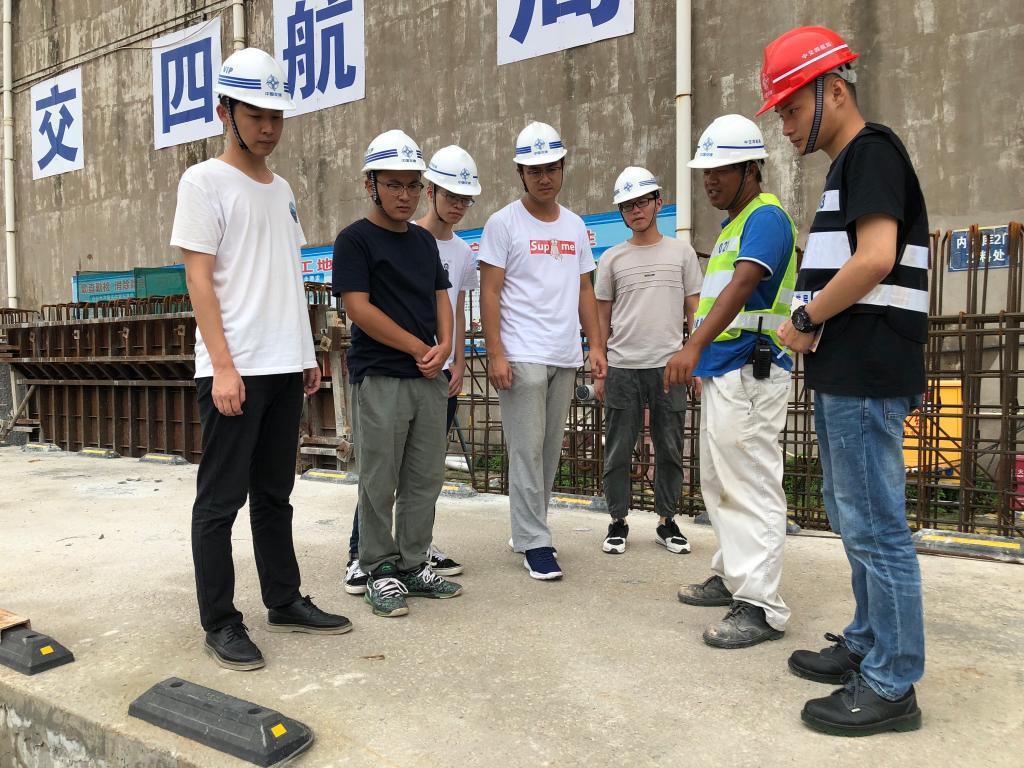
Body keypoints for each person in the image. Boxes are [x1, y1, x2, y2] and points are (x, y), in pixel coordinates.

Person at [762, 25, 927, 736]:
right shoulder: (849, 165)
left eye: (792, 109)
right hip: (849, 369)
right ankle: (867, 641)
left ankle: (893, 680)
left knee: (876, 525)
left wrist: (806, 315)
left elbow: (876, 257)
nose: (785, 125)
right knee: (853, 513)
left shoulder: (872, 153)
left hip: (867, 368)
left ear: (833, 90)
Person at [172, 48, 351, 671]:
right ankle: (220, 622)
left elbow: (287, 275)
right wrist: (222, 366)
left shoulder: (283, 190)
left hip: (281, 365)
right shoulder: (202, 182)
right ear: (225, 112)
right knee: (220, 500)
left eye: (276, 115)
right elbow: (199, 279)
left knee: (275, 492)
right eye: (256, 115)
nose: (269, 127)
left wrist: (304, 352)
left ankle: (284, 599)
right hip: (235, 368)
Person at [669, 115, 798, 651]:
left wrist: (692, 347)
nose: (710, 181)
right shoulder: (733, 225)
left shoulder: (765, 217)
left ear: (751, 169)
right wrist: (704, 361)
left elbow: (744, 286)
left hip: (751, 367)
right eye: (706, 172)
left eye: (721, 170)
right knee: (720, 482)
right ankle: (731, 575)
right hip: (727, 370)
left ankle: (762, 605)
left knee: (752, 484)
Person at [332, 129, 462, 618]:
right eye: (393, 184)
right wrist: (418, 347)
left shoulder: (424, 242)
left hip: (427, 377)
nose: (405, 195)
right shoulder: (354, 240)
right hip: (381, 376)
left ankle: (412, 564)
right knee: (379, 480)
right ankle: (377, 568)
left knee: (424, 478)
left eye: (412, 185)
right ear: (371, 184)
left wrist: (445, 346)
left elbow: (441, 296)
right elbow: (358, 309)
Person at [478, 121, 607, 580]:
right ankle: (536, 540)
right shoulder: (503, 223)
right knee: (527, 450)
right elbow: (489, 291)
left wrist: (595, 345)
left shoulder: (575, 225)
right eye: (534, 171)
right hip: (521, 352)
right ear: (520, 173)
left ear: (563, 167)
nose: (544, 178)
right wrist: (496, 353)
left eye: (551, 168)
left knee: (549, 450)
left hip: (563, 353)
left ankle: (528, 530)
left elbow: (585, 289)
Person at [593, 167, 703, 556]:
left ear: (658, 202)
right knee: (618, 449)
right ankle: (617, 521)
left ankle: (666, 521)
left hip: (670, 367)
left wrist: (697, 360)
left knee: (670, 447)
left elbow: (694, 308)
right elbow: (602, 316)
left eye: (642, 202)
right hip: (622, 366)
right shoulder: (612, 258)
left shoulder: (681, 252)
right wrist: (600, 364)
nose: (635, 210)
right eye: (627, 206)